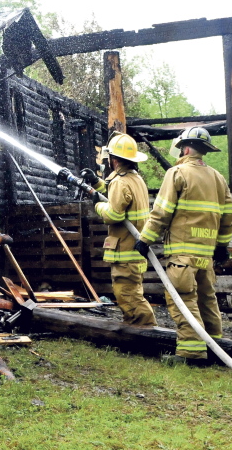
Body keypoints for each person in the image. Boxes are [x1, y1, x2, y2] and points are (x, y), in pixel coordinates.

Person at [134, 126, 232, 365]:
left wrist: (145, 239)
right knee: (207, 301)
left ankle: (191, 354)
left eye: (180, 149)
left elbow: (161, 212)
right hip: (205, 257)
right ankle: (215, 349)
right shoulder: (218, 178)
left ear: (186, 148)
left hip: (182, 256)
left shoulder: (177, 173)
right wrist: (221, 246)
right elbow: (228, 216)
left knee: (183, 302)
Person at [81, 133, 155, 326]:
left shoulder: (120, 182)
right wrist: (96, 183)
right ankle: (134, 328)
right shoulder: (134, 179)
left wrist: (97, 205)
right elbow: (115, 197)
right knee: (130, 293)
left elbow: (114, 214)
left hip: (126, 251)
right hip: (133, 250)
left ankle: (145, 330)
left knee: (128, 295)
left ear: (114, 160)